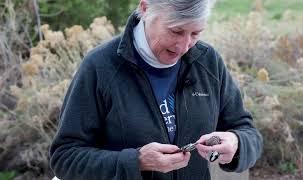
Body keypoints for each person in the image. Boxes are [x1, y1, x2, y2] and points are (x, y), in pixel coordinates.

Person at [49, 0, 263, 179]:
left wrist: (237, 143)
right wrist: (136, 162)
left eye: (195, 33)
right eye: (176, 30)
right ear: (145, 8)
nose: (184, 46)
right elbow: (65, 157)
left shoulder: (207, 61)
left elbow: (248, 132)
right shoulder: (101, 67)